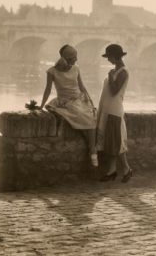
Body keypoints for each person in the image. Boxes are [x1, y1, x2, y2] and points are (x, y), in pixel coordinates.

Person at [39, 44, 98, 167]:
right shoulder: (52, 71)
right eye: (74, 56)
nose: (76, 59)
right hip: (65, 102)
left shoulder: (76, 68)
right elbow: (48, 90)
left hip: (79, 100)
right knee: (85, 118)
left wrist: (90, 101)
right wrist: (41, 106)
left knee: (92, 116)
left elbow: (81, 86)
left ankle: (92, 149)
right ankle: (93, 151)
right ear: (68, 57)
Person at [96, 43, 133, 183]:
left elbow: (114, 91)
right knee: (110, 142)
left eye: (109, 57)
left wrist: (111, 77)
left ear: (114, 57)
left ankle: (126, 169)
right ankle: (113, 171)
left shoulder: (123, 72)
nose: (108, 60)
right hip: (107, 108)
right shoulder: (115, 70)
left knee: (115, 141)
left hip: (114, 110)